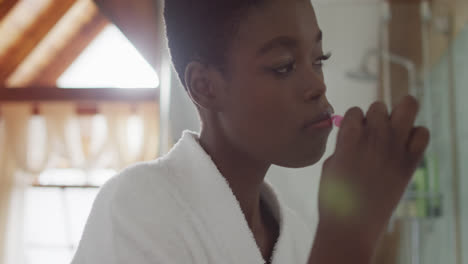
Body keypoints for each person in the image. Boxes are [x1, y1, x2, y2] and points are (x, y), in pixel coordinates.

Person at [71, 0, 430, 263]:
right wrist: (349, 234)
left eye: (319, 59)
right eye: (284, 66)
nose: (317, 86)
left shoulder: (295, 239)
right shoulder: (137, 208)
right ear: (206, 86)